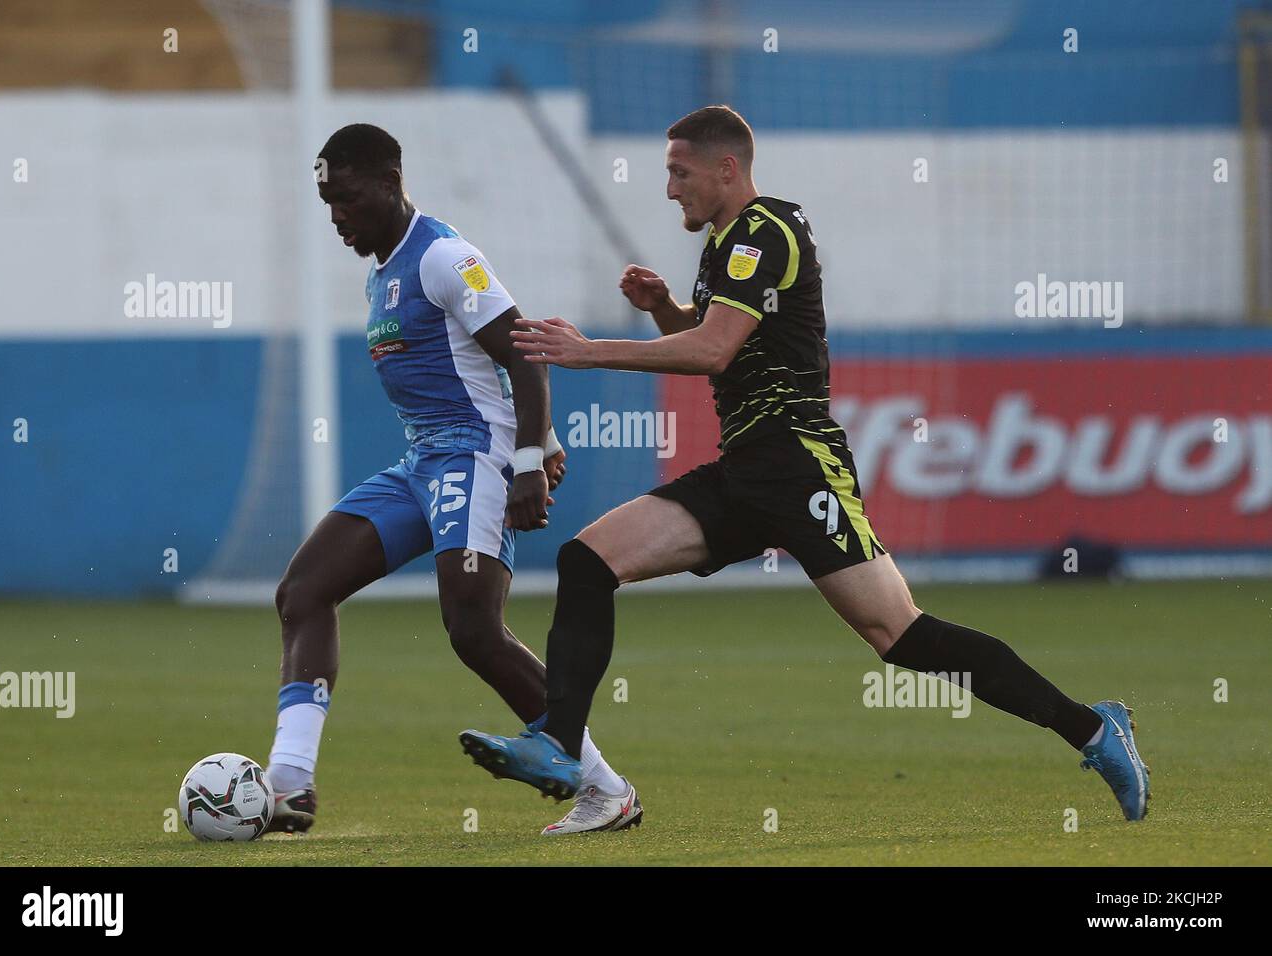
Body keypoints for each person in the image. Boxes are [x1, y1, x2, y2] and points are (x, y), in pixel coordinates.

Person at [458, 106, 1150, 823]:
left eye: (679, 172)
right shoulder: (728, 243)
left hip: (798, 463)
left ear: (727, 168)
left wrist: (588, 350)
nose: (669, 189)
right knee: (588, 560)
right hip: (746, 470)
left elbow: (713, 351)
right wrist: (666, 307)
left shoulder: (769, 230)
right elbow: (713, 344)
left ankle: (1095, 730)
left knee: (900, 636)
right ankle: (564, 749)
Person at [265, 124, 641, 837]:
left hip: (474, 458)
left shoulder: (443, 255)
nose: (336, 216)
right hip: (422, 463)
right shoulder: (381, 272)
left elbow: (524, 354)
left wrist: (528, 458)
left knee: (473, 628)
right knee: (304, 590)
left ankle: (603, 787)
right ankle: (289, 783)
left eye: (344, 198)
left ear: (388, 180)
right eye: (325, 203)